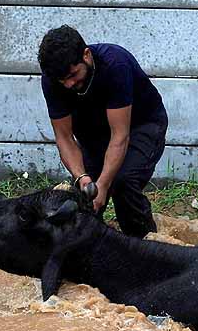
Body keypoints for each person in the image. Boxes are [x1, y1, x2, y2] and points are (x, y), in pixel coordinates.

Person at [38, 25, 167, 237]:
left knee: (123, 183)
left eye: (73, 74)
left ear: (86, 55)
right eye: (63, 81)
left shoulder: (115, 64)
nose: (69, 84)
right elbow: (64, 138)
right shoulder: (52, 79)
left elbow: (120, 136)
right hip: (95, 134)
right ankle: (89, 250)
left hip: (141, 125)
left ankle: (143, 245)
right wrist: (82, 178)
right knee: (85, 199)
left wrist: (104, 184)